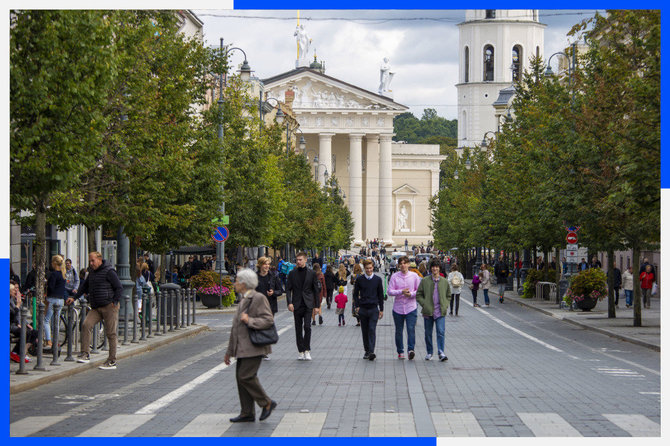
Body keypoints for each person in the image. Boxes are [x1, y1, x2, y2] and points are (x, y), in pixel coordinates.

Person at [224, 268, 277, 423]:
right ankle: (247, 412)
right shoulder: (244, 299)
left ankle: (266, 403)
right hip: (242, 348)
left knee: (245, 376)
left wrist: (250, 321)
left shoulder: (258, 297)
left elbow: (268, 319)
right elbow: (236, 329)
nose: (235, 284)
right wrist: (229, 351)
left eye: (236, 281)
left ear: (243, 283)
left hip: (254, 346)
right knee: (240, 378)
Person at [68, 251, 123, 370]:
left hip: (109, 306)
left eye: (93, 261)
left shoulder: (109, 271)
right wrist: (74, 297)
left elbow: (119, 287)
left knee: (111, 333)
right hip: (96, 307)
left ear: (99, 259)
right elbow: (84, 286)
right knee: (86, 325)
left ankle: (112, 360)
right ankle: (85, 353)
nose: (91, 263)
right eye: (90, 261)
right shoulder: (91, 272)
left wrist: (115, 301)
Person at [285, 252, 320, 361]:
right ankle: (300, 351)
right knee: (298, 328)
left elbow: (315, 290)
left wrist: (317, 306)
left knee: (307, 327)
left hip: (308, 304)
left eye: (300, 260)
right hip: (297, 304)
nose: (298, 262)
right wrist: (289, 303)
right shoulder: (292, 273)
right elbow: (288, 289)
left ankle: (307, 350)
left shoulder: (312, 273)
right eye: (297, 260)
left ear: (305, 260)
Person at [415, 260, 451, 361]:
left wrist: (445, 304)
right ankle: (429, 352)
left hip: (440, 311)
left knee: (440, 332)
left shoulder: (444, 281)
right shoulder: (425, 280)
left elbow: (448, 295)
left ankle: (441, 352)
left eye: (436, 267)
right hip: (428, 311)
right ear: (430, 268)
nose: (435, 269)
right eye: (433, 267)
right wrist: (424, 304)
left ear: (439, 268)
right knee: (428, 333)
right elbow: (419, 294)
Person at [387, 256, 421, 360]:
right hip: (398, 308)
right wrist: (401, 292)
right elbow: (389, 291)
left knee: (411, 329)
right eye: (401, 263)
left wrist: (410, 294)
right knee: (399, 330)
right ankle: (400, 351)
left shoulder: (414, 276)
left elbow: (419, 291)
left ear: (408, 264)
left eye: (405, 263)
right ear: (398, 265)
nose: (403, 265)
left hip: (411, 307)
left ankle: (411, 350)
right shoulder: (395, 277)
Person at [353, 259, 384, 361]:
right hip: (363, 308)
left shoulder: (378, 280)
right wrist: (357, 306)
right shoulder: (360, 279)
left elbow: (380, 295)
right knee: (364, 331)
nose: (369, 270)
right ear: (364, 269)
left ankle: (371, 351)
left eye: (370, 268)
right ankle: (367, 350)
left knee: (372, 329)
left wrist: (381, 309)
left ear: (373, 267)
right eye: (367, 268)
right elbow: (355, 294)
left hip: (374, 309)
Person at [44, 255, 67, 349]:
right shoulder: (63, 274)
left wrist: (47, 284)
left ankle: (48, 341)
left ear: (54, 263)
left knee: (46, 320)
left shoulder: (54, 274)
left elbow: (51, 288)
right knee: (56, 322)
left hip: (52, 299)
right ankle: (55, 341)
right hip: (60, 300)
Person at [10, 283, 38, 362]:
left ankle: (23, 352)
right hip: (12, 325)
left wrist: (27, 324)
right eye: (14, 289)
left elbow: (23, 314)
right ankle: (16, 352)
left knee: (34, 332)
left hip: (19, 323)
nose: (16, 291)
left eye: (17, 288)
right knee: (26, 332)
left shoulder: (16, 300)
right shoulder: (9, 301)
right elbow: (12, 315)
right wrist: (17, 306)